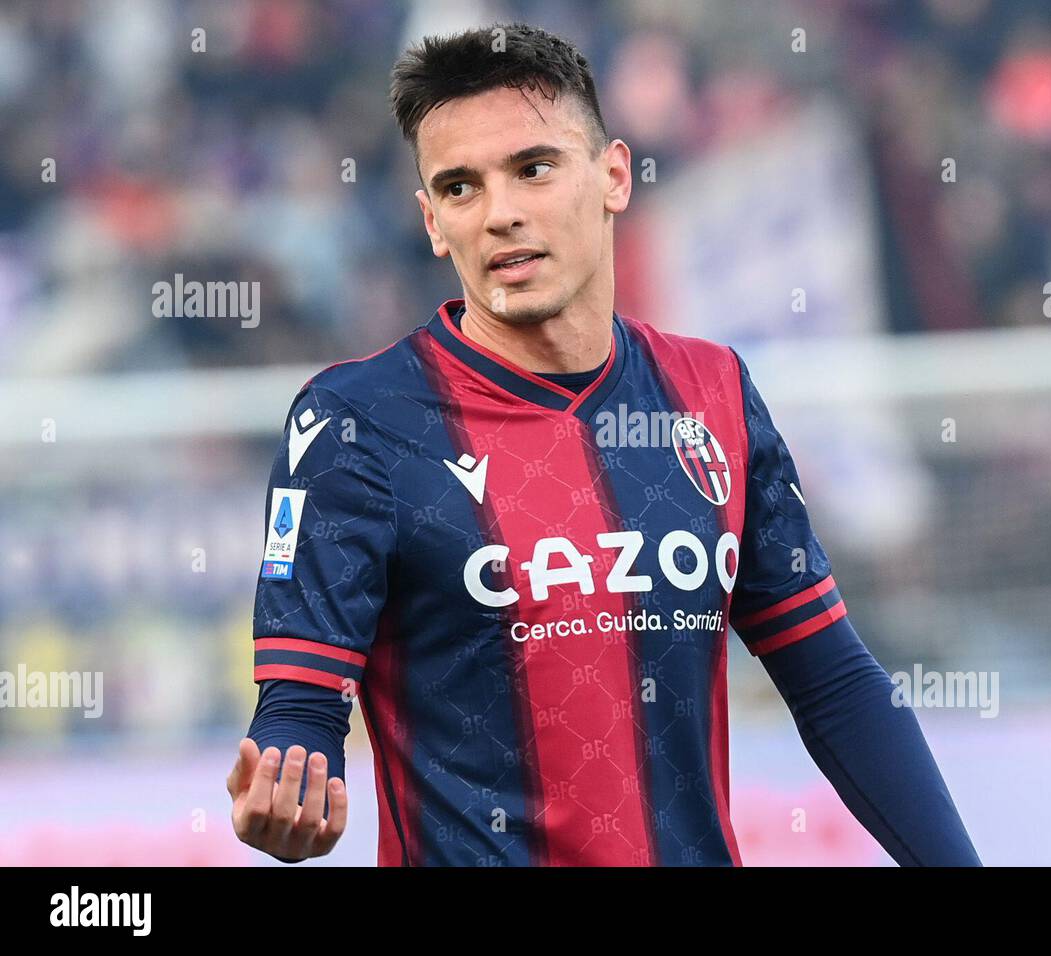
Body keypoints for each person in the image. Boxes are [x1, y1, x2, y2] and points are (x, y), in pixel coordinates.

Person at [227, 21, 981, 867]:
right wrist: (292, 781)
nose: (501, 212)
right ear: (433, 221)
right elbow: (299, 705)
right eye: (461, 187)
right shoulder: (354, 422)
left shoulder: (714, 394)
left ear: (614, 174)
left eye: (533, 168)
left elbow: (834, 682)